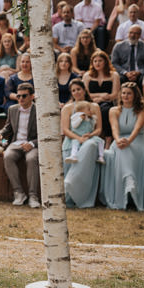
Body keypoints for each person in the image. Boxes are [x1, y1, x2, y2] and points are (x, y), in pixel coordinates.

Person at [99, 82, 144, 210]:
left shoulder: (143, 108)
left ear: (135, 95)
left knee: (128, 150)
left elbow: (138, 128)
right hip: (120, 140)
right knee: (121, 151)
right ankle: (128, 180)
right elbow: (114, 128)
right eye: (123, 93)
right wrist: (117, 140)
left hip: (137, 139)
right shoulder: (114, 110)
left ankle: (131, 182)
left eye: (129, 93)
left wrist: (129, 141)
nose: (125, 96)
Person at [0, 83, 40, 208]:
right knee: (8, 156)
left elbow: (45, 133)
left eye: (24, 96)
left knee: (32, 159)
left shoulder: (39, 110)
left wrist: (32, 143)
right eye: (18, 96)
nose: (21, 99)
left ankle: (33, 196)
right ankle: (19, 193)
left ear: (32, 96)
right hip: (16, 143)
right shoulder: (12, 109)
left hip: (32, 144)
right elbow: (7, 128)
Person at [61, 79, 103, 208]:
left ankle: (84, 198)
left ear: (84, 90)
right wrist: (78, 139)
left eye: (79, 89)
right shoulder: (67, 108)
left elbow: (99, 129)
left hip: (89, 139)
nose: (76, 92)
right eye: (73, 90)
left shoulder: (94, 106)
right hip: (72, 141)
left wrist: (89, 136)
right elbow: (66, 130)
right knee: (71, 155)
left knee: (91, 146)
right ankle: (69, 194)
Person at [83, 50, 120, 141]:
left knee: (106, 110)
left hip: (108, 102)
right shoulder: (87, 76)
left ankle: (108, 138)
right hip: (91, 102)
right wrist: (100, 96)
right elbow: (85, 94)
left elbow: (115, 94)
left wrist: (103, 98)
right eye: (95, 61)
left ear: (105, 62)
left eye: (100, 61)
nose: (97, 63)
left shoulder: (114, 75)